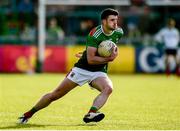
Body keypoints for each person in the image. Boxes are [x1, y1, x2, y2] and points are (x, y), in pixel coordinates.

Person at [18, 8, 123, 124]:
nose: (115, 23)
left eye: (116, 20)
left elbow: (100, 50)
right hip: (82, 69)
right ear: (103, 21)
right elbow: (91, 59)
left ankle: (91, 113)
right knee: (55, 95)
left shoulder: (119, 32)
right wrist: (109, 58)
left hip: (99, 71)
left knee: (108, 88)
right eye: (112, 20)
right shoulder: (94, 34)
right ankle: (28, 114)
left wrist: (87, 52)